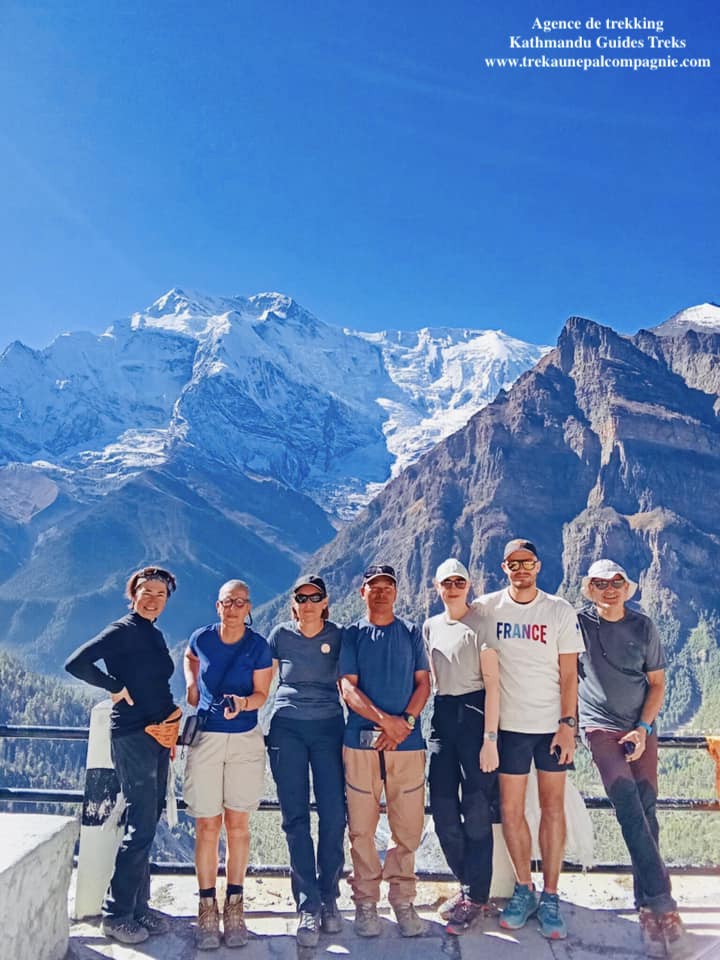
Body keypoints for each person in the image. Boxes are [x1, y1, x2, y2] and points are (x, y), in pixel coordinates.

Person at [65, 565, 179, 945]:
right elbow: (77, 662)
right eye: (146, 592)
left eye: (160, 594)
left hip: (158, 733)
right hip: (134, 733)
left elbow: (153, 680)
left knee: (147, 818)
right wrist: (114, 688)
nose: (152, 599)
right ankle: (117, 914)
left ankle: (138, 907)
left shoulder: (152, 632)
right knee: (141, 823)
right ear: (133, 594)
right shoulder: (122, 630)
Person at [477, 539, 584, 940]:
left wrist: (567, 724)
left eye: (528, 563)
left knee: (553, 810)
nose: (521, 570)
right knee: (511, 809)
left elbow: (570, 674)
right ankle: (525, 888)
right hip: (510, 728)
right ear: (504, 567)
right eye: (513, 564)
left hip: (551, 727)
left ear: (538, 566)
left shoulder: (558, 610)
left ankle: (552, 895)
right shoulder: (489, 608)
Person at [578, 559, 685, 957]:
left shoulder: (644, 627)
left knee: (647, 811)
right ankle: (664, 905)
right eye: (601, 583)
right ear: (590, 589)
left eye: (617, 582)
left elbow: (657, 683)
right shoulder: (577, 625)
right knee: (628, 806)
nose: (609, 589)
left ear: (627, 588)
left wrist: (643, 728)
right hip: (600, 729)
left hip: (640, 728)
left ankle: (645, 906)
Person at [339, 563, 431, 938]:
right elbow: (347, 687)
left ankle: (402, 897)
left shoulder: (411, 633)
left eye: (386, 586)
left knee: (406, 825)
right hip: (361, 744)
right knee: (361, 827)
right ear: (362, 593)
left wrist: (403, 723)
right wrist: (386, 722)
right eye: (373, 587)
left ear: (397, 592)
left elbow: (424, 684)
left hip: (407, 746)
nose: (380, 592)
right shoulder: (352, 635)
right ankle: (365, 902)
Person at [183, 579, 273, 950]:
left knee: (238, 824)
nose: (234, 607)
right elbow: (189, 657)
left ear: (249, 607)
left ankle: (235, 906)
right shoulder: (201, 639)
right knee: (207, 824)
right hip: (206, 738)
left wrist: (244, 703)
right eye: (228, 601)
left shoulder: (259, 646)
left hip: (244, 740)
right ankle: (207, 907)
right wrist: (190, 685)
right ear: (217, 606)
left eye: (241, 602)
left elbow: (262, 694)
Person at [266, 575, 346, 947]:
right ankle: (308, 903)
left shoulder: (339, 635)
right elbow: (256, 677)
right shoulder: (280, 635)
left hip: (329, 728)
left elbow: (356, 679)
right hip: (287, 730)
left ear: (325, 602)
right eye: (302, 597)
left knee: (334, 815)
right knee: (295, 818)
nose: (309, 602)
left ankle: (330, 896)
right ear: (293, 604)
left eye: (315, 597)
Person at [423, 558, 500, 935]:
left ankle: (474, 892)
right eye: (446, 582)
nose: (452, 588)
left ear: (468, 585)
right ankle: (469, 885)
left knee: (476, 807)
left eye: (459, 581)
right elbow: (436, 679)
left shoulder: (481, 623)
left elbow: (494, 684)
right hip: (442, 714)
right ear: (436, 587)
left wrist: (490, 739)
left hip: (474, 711)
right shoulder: (431, 626)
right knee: (441, 806)